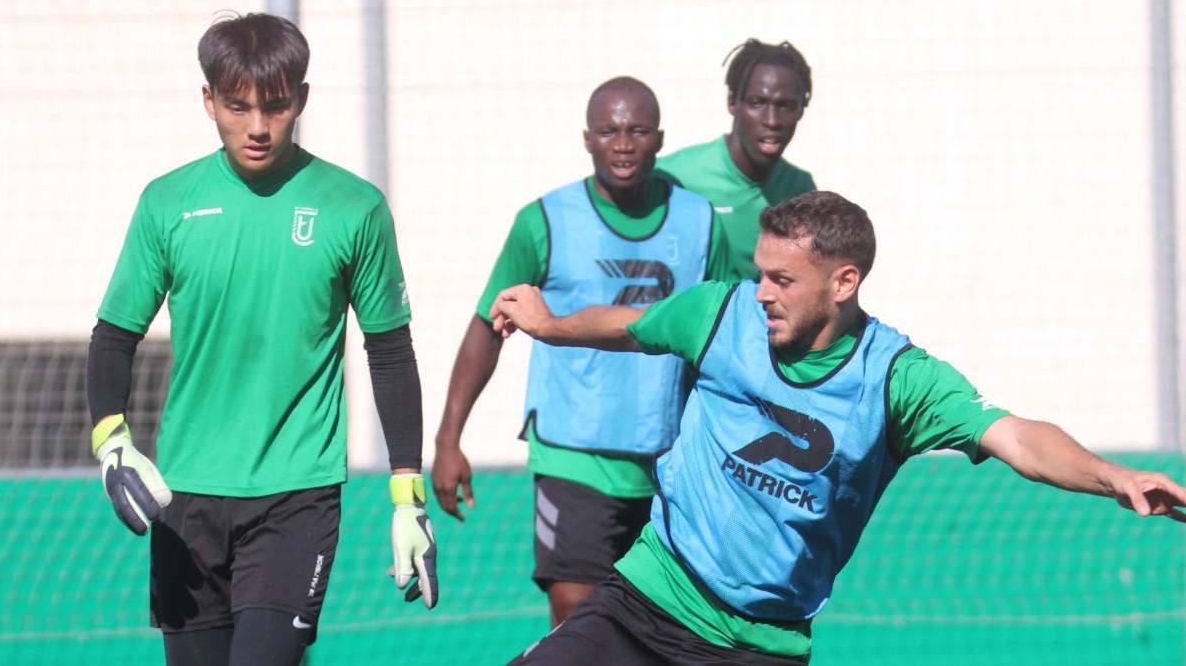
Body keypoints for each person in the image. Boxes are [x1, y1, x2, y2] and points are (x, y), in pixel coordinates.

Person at [492, 190, 1186, 665]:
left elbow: (1017, 436)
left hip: (758, 643)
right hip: (644, 598)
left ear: (844, 281)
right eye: (761, 274)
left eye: (783, 280)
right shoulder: (721, 312)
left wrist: (1112, 476)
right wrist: (550, 324)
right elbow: (631, 324)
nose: (761, 291)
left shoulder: (896, 379)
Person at [85, 13, 437, 666]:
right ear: (208, 101)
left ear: (300, 99)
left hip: (295, 496)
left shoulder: (353, 207)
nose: (257, 126)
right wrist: (112, 440)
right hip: (185, 495)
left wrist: (407, 496)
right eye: (237, 106)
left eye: (275, 107)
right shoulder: (168, 202)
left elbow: (389, 349)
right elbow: (113, 336)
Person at [431, 76, 736, 625]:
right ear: (588, 139)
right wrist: (449, 438)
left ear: (659, 139)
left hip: (667, 458)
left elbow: (721, 339)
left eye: (637, 130)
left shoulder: (700, 222)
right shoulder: (544, 220)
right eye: (609, 130)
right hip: (574, 452)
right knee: (575, 607)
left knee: (662, 622)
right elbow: (487, 324)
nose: (623, 142)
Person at [658, 38, 817, 279]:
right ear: (732, 102)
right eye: (757, 103)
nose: (771, 120)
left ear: (801, 110)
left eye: (785, 106)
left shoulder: (800, 189)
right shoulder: (674, 176)